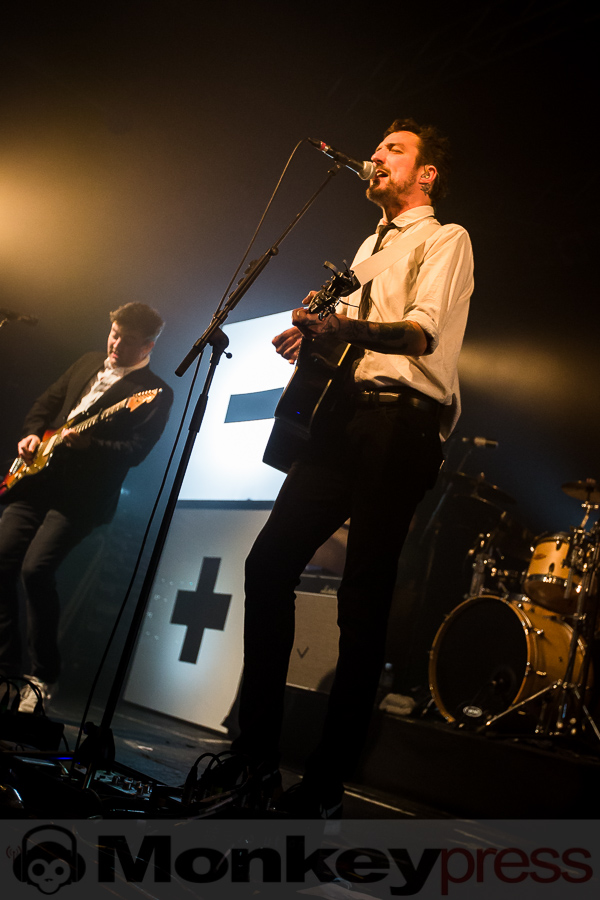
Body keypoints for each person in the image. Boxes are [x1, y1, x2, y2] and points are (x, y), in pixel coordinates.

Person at [216, 118, 474, 817]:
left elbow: (420, 332)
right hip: (342, 420)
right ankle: (255, 759)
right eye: (379, 146)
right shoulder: (367, 246)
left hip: (401, 425)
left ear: (427, 174)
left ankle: (325, 787)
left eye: (395, 149)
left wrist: (342, 327)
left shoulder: (446, 238)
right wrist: (313, 335)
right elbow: (350, 339)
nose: (377, 156)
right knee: (268, 566)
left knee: (364, 601)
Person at [0, 302, 174, 712]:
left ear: (149, 345)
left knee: (35, 569)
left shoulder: (155, 392)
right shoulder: (87, 362)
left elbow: (135, 452)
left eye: (128, 341)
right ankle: (5, 671)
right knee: (1, 561)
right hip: (35, 482)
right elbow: (46, 404)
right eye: (114, 334)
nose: (116, 344)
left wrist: (88, 444)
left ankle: (43, 675)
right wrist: (29, 436)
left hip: (81, 498)